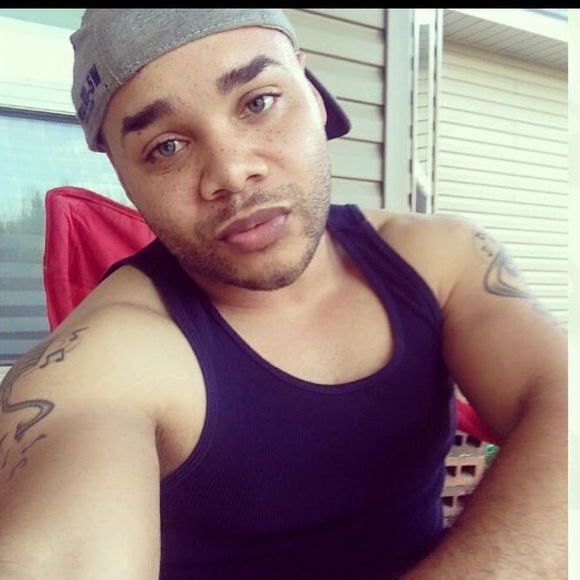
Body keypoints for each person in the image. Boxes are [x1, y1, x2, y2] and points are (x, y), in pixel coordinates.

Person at [0, 9, 567, 580]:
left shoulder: (441, 259)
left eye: (259, 102)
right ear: (122, 173)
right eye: (166, 146)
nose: (231, 172)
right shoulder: (100, 362)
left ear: (312, 95)